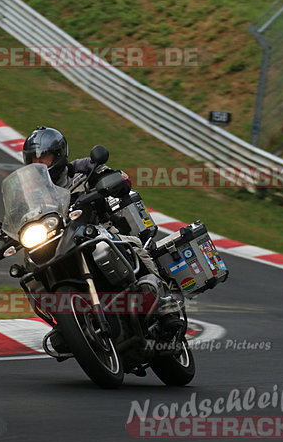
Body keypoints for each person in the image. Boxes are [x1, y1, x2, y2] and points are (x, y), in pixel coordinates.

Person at [21, 126, 184, 336]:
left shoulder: (82, 170)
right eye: (33, 160)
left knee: (133, 247)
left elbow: (120, 178)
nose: (39, 164)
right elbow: (20, 214)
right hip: (58, 242)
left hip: (98, 229)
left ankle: (166, 307)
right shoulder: (31, 193)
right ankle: (66, 325)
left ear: (59, 155)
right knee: (32, 272)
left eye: (44, 158)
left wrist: (110, 181)